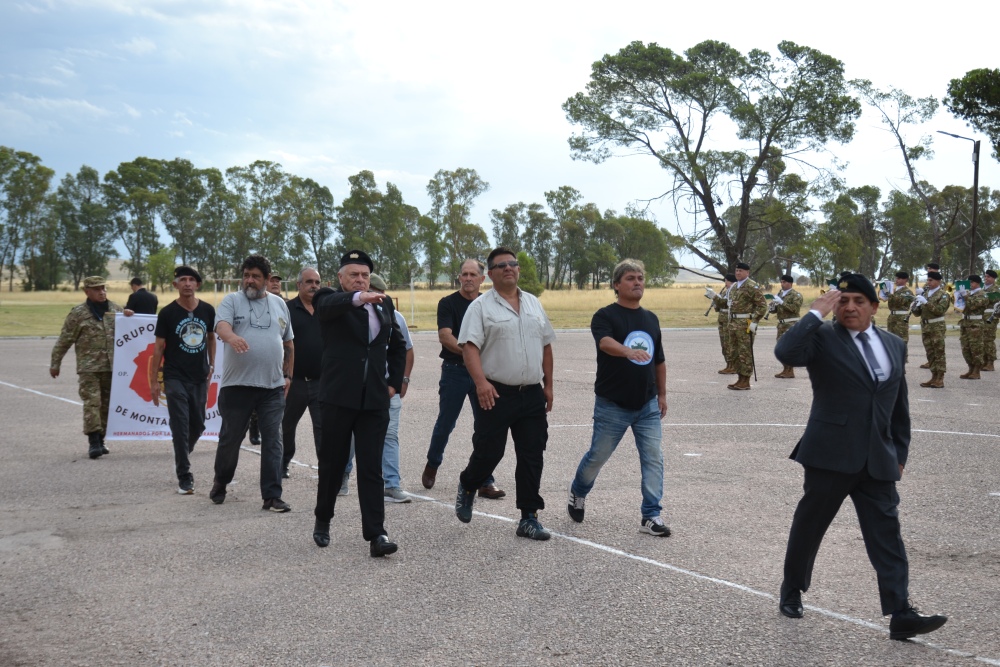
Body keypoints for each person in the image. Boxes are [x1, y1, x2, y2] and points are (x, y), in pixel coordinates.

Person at [775, 273, 948, 641]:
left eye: (858, 301)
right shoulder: (822, 337)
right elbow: (785, 353)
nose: (849, 308)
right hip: (830, 453)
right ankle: (792, 589)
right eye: (843, 301)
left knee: (887, 536)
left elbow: (898, 404)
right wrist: (814, 314)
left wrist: (899, 452)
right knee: (810, 526)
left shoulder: (894, 344)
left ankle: (901, 612)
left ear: (874, 306)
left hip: (878, 458)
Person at [454, 248, 556, 541]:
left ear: (518, 269)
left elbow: (546, 345)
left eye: (513, 264)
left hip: (531, 393)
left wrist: (548, 385)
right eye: (501, 265)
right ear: (490, 274)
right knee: (490, 452)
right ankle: (469, 483)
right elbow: (469, 348)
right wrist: (481, 383)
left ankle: (529, 517)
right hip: (496, 393)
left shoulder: (534, 304)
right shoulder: (480, 307)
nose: (509, 268)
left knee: (532, 454)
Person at [311, 251, 406, 557]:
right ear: (340, 278)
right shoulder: (329, 299)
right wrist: (358, 298)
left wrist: (393, 383)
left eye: (365, 275)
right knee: (333, 464)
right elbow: (326, 307)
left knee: (371, 467)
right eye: (353, 275)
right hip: (338, 398)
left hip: (374, 400)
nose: (360, 280)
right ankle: (323, 519)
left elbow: (398, 345)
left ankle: (377, 534)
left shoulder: (383, 304)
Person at [567, 259, 670, 536]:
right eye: (630, 278)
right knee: (598, 456)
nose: (637, 283)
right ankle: (578, 491)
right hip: (612, 404)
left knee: (653, 458)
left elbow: (659, 360)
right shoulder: (605, 316)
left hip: (647, 404)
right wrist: (628, 351)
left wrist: (661, 394)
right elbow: (604, 343)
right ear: (616, 285)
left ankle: (651, 515)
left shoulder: (651, 319)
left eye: (640, 278)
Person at [210, 255, 294, 512]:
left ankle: (272, 496)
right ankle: (221, 481)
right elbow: (221, 326)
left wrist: (288, 376)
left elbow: (289, 343)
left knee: (273, 441)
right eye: (246, 275)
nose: (249, 280)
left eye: (255, 276)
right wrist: (232, 337)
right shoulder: (232, 300)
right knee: (230, 440)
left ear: (267, 279)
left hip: (272, 387)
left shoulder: (279, 304)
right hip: (237, 386)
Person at [421, 259, 505, 499]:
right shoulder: (448, 303)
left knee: (486, 427)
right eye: (464, 274)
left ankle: (485, 480)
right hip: (455, 371)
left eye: (473, 275)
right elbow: (445, 336)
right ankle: (433, 463)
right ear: (459, 278)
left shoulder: (490, 304)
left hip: (484, 374)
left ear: (482, 279)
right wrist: (470, 354)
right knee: (446, 422)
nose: (468, 278)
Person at [148, 266, 216, 494]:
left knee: (198, 424)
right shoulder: (167, 313)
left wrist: (211, 365)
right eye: (183, 280)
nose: (187, 283)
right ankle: (184, 475)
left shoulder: (207, 310)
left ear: (198, 284)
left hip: (199, 376)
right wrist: (154, 381)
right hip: (174, 376)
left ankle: (182, 453)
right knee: (180, 424)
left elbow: (211, 338)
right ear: (175, 284)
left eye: (191, 280)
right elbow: (158, 347)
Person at [50, 276, 126, 459]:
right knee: (92, 403)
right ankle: (93, 441)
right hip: (89, 368)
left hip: (112, 367)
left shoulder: (116, 310)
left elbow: (132, 332)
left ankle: (101, 439)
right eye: (96, 289)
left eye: (103, 288)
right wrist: (55, 363)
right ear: (87, 291)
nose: (102, 292)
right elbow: (65, 339)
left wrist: (131, 316)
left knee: (107, 406)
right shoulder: (78, 314)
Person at [369, 273, 416, 503]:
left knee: (389, 435)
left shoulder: (395, 316)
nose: (378, 296)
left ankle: (392, 484)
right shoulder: (351, 313)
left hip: (387, 388)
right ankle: (343, 476)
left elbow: (406, 350)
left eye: (380, 293)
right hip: (358, 388)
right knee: (352, 438)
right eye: (373, 292)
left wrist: (401, 381)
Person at [280, 267, 324, 479]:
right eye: (309, 282)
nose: (314, 286)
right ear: (299, 285)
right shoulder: (287, 309)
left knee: (323, 429)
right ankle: (282, 463)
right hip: (294, 382)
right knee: (286, 426)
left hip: (321, 382)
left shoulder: (326, 309)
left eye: (317, 282)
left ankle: (326, 469)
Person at [725, 262, 767, 390]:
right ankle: (740, 378)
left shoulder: (752, 286)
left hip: (745, 324)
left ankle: (746, 380)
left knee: (745, 353)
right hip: (733, 324)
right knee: (734, 352)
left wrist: (754, 321)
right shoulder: (734, 287)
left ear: (747, 272)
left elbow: (762, 306)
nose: (738, 273)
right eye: (737, 270)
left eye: (741, 271)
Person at [912, 271, 951, 388]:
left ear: (938, 281)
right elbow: (918, 314)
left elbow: (939, 310)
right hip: (926, 327)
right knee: (930, 353)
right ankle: (934, 376)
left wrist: (926, 302)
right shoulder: (925, 294)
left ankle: (940, 378)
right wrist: (915, 306)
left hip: (937, 327)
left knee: (939, 352)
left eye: (931, 280)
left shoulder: (943, 295)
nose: (928, 282)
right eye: (928, 280)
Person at [958, 275, 989, 380]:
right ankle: (970, 369)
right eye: (969, 282)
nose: (970, 284)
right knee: (965, 348)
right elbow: (960, 306)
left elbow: (973, 305)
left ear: (978, 283)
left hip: (976, 324)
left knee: (976, 348)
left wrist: (964, 296)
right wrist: (958, 295)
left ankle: (976, 371)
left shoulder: (983, 295)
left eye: (972, 282)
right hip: (965, 323)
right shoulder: (968, 294)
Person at [771, 274, 803, 379]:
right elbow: (777, 310)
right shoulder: (780, 294)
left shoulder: (796, 295)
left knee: (789, 346)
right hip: (781, 324)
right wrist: (773, 306)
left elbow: (794, 309)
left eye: (784, 282)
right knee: (781, 347)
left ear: (790, 283)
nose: (782, 284)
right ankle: (785, 369)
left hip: (790, 323)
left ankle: (790, 371)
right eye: (781, 282)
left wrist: (781, 302)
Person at [706, 274, 735, 374]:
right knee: (724, 344)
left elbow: (726, 304)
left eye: (726, 281)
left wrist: (715, 297)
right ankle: (728, 365)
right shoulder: (725, 292)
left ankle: (732, 366)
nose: (725, 283)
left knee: (728, 343)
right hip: (722, 319)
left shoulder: (734, 291)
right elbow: (719, 307)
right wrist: (715, 302)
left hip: (728, 319)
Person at [882, 271, 914, 362]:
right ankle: (893, 358)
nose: (897, 280)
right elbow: (890, 302)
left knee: (902, 339)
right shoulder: (894, 290)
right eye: (896, 278)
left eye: (899, 278)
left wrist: (888, 293)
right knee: (891, 338)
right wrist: (883, 292)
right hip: (892, 316)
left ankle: (903, 359)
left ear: (905, 280)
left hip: (901, 318)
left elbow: (900, 301)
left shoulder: (908, 292)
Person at [983, 270, 999, 371]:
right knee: (982, 339)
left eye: (988, 277)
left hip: (991, 317)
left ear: (993, 278)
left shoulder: (996, 289)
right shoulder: (982, 288)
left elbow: (992, 300)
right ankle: (984, 361)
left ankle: (990, 362)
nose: (986, 278)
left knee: (988, 339)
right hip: (982, 316)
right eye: (985, 276)